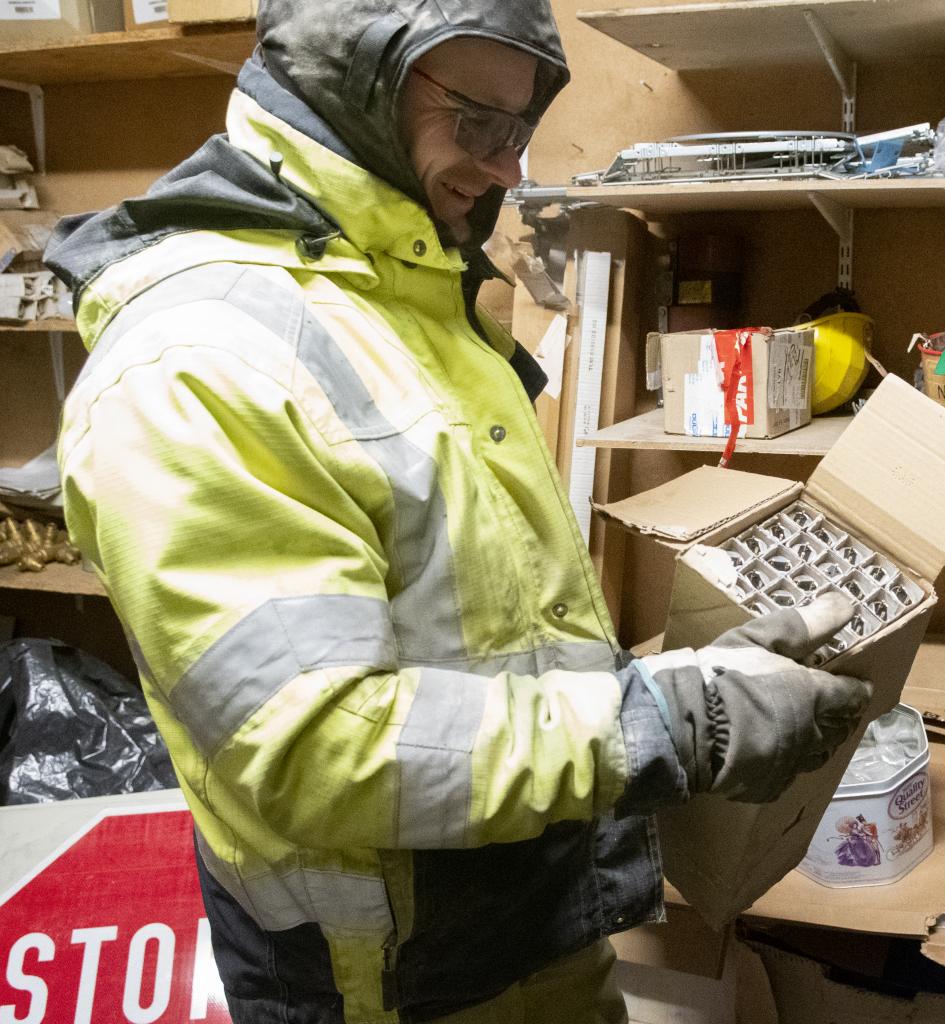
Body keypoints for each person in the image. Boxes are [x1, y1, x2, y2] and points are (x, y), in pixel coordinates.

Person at [44, 2, 872, 1022]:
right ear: (346, 77)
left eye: (518, 128)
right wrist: (667, 720)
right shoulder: (204, 362)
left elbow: (487, 632)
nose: (508, 168)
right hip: (385, 981)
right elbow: (315, 742)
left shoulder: (411, 302)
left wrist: (683, 680)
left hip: (523, 924)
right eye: (477, 121)